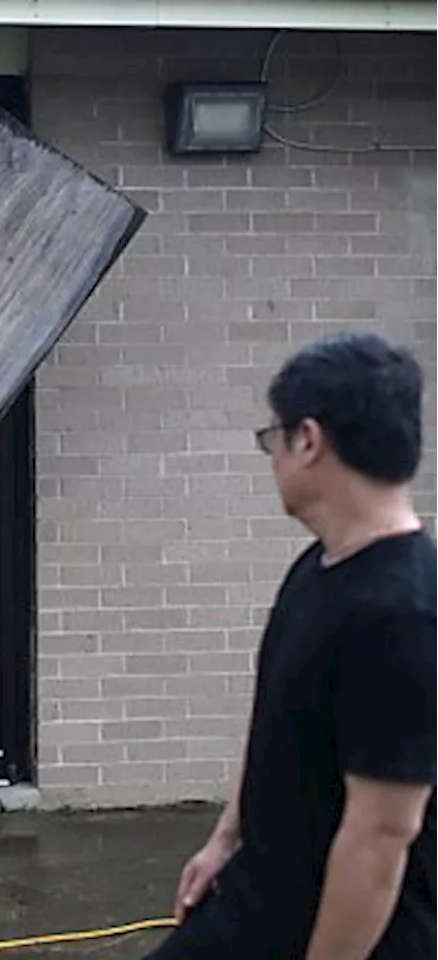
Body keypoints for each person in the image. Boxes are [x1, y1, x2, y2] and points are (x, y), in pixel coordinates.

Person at [144, 331, 438, 960]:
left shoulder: (403, 617)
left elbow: (382, 834)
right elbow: (276, 718)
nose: (271, 455)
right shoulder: (320, 565)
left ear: (308, 440)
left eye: (272, 438)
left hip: (347, 932)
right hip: (258, 901)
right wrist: (226, 837)